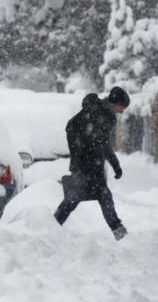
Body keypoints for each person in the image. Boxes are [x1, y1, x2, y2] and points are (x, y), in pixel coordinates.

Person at [54, 86, 130, 240]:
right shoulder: (97, 112)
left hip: (94, 166)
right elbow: (75, 130)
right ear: (115, 102)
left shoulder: (106, 115)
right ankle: (51, 225)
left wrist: (115, 164)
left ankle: (119, 232)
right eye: (122, 107)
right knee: (74, 199)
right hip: (85, 166)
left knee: (100, 197)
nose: (122, 111)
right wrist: (82, 154)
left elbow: (104, 143)